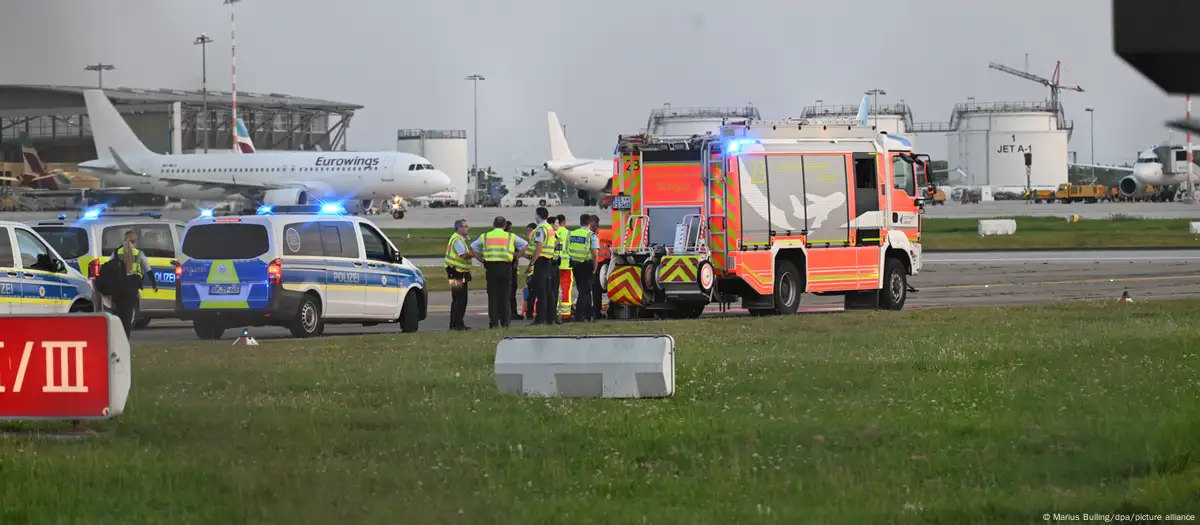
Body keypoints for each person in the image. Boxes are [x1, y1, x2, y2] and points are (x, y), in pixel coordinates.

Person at [471, 216, 527, 328]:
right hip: (505, 267)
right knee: (505, 296)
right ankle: (505, 322)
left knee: (492, 296)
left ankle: (494, 322)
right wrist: (516, 256)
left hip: (491, 268)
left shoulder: (486, 236)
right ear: (504, 225)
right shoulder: (510, 236)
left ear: (493, 224)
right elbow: (525, 245)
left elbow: (472, 247)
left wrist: (480, 259)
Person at [112, 230, 156, 338]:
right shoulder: (139, 253)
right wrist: (154, 283)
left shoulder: (117, 252)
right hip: (132, 285)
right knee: (128, 312)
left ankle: (118, 334)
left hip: (118, 285)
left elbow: (110, 265)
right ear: (134, 241)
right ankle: (126, 335)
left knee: (119, 311)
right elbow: (148, 269)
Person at [568, 213, 600, 322]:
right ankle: (579, 316)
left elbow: (568, 248)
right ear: (589, 222)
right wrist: (595, 268)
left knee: (583, 290)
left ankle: (589, 314)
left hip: (575, 264)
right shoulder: (591, 235)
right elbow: (595, 254)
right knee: (584, 292)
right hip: (586, 265)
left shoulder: (572, 234)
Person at [443, 219, 475, 331]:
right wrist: (474, 253)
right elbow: (464, 255)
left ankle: (456, 323)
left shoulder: (458, 239)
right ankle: (457, 324)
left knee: (457, 298)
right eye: (466, 226)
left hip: (457, 272)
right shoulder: (457, 240)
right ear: (459, 228)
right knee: (460, 299)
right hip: (456, 273)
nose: (468, 228)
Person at [528, 207, 557, 325]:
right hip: (549, 261)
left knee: (541, 292)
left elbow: (539, 247)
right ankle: (549, 318)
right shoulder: (550, 228)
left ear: (538, 216)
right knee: (548, 291)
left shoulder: (540, 229)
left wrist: (531, 263)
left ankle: (540, 318)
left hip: (541, 262)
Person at [553, 213, 572, 322]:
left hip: (555, 264)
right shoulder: (568, 233)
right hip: (566, 266)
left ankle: (553, 311)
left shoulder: (553, 232)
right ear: (564, 222)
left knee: (554, 289)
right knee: (566, 290)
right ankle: (566, 314)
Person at [505, 220, 522, 320]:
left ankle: (501, 312)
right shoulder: (511, 238)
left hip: (499, 267)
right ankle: (513, 312)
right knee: (511, 292)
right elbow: (522, 247)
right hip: (511, 268)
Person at [590, 214, 606, 319]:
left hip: (601, 264)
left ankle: (597, 312)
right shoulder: (593, 234)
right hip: (600, 264)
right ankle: (597, 311)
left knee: (596, 290)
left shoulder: (594, 235)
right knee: (596, 291)